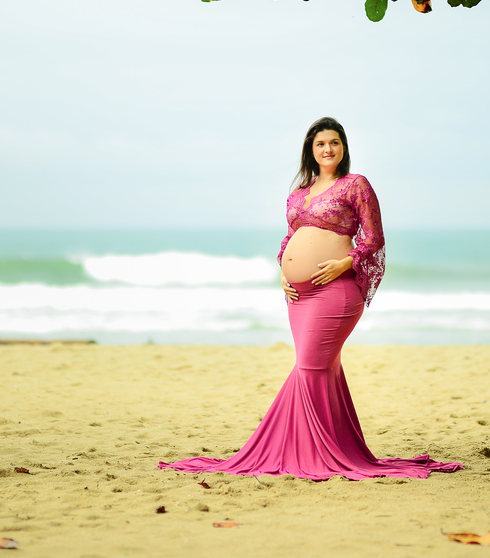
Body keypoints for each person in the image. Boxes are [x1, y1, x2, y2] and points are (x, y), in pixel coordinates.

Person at [158, 117, 462, 481]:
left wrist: (344, 264)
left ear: (344, 148)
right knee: (323, 370)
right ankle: (324, 447)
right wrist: (284, 273)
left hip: (336, 290)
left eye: (335, 143)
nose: (328, 149)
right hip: (298, 297)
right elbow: (289, 240)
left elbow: (374, 238)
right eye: (321, 144)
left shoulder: (355, 185)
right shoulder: (299, 192)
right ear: (311, 150)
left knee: (310, 367)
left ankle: (315, 452)